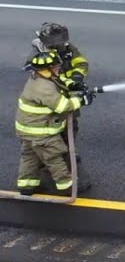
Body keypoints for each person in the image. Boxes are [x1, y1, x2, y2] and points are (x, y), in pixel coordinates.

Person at [14, 52, 89, 196]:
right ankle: (67, 187)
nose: (58, 69)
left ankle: (27, 185)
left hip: (28, 131)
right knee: (54, 158)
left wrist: (72, 84)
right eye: (55, 67)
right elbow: (62, 106)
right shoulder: (44, 87)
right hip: (41, 132)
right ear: (46, 69)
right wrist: (81, 101)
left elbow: (59, 79)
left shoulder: (39, 78)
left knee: (30, 157)